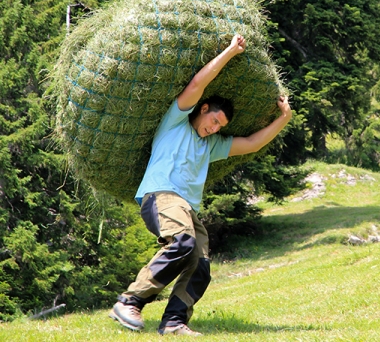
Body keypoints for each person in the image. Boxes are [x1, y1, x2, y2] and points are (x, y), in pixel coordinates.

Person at [108, 34, 292, 336]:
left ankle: (174, 322)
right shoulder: (175, 123)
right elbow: (196, 85)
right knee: (182, 242)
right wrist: (231, 52)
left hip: (187, 209)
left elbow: (251, 143)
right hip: (161, 196)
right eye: (214, 120)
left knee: (200, 264)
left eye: (220, 127)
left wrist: (284, 118)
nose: (214, 128)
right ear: (204, 108)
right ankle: (130, 301)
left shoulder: (211, 145)